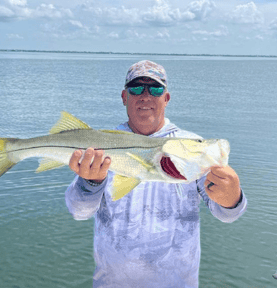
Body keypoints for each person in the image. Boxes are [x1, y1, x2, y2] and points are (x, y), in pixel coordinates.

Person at [65, 60, 247, 288]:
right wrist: (90, 183)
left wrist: (232, 199)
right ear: (124, 97)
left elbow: (227, 215)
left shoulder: (190, 147)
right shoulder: (103, 146)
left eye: (156, 88)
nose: (145, 95)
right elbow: (79, 211)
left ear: (166, 98)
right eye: (136, 88)